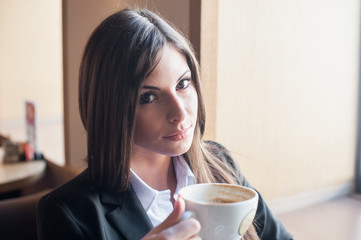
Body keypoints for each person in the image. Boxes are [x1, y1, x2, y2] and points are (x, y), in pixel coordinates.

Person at [37, 8, 293, 240]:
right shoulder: (70, 212)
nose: (180, 114)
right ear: (111, 110)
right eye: (148, 97)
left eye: (183, 84)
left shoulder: (220, 164)